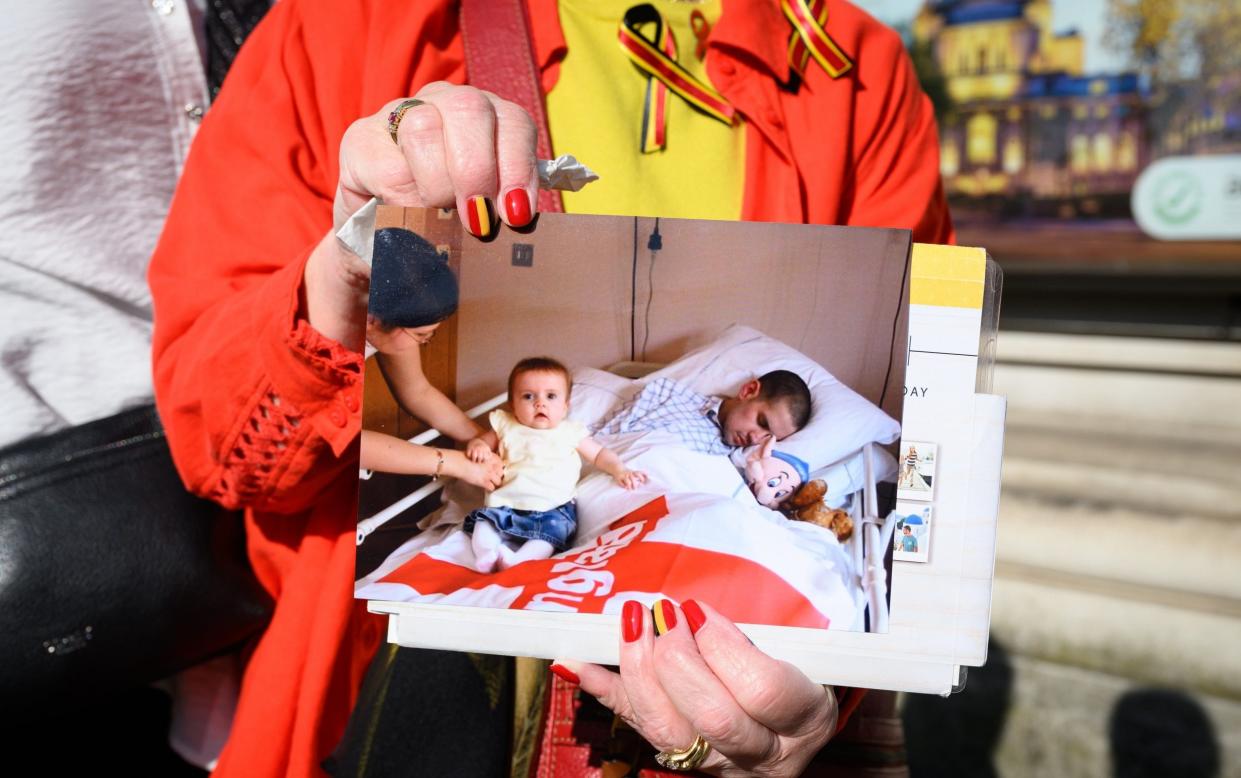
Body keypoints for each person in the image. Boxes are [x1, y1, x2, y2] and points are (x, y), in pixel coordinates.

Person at [148, 0, 953, 774]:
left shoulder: (853, 74)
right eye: (759, 417)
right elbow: (215, 450)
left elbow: (925, 458)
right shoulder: (347, 23)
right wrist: (335, 285)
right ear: (739, 387)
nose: (757, 435)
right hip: (372, 698)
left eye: (771, 431)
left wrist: (800, 703)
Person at [463, 356, 647, 572]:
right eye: (528, 396)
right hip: (505, 503)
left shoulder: (570, 432)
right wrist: (478, 446)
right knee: (484, 524)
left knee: (550, 537)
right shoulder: (506, 425)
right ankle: (486, 553)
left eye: (551, 396)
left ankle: (516, 561)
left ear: (565, 406)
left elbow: (599, 455)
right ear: (513, 404)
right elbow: (482, 442)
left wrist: (619, 469)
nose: (540, 403)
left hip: (552, 508)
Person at [357, 227, 503, 491]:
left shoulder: (385, 322)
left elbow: (417, 392)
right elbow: (339, 442)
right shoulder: (319, 339)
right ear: (371, 319)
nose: (424, 343)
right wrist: (457, 464)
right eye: (421, 334)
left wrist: (484, 440)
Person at [595, 370, 812, 456]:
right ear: (748, 391)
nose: (755, 438)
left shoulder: (740, 460)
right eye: (762, 422)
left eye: (769, 437)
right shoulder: (668, 394)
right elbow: (603, 439)